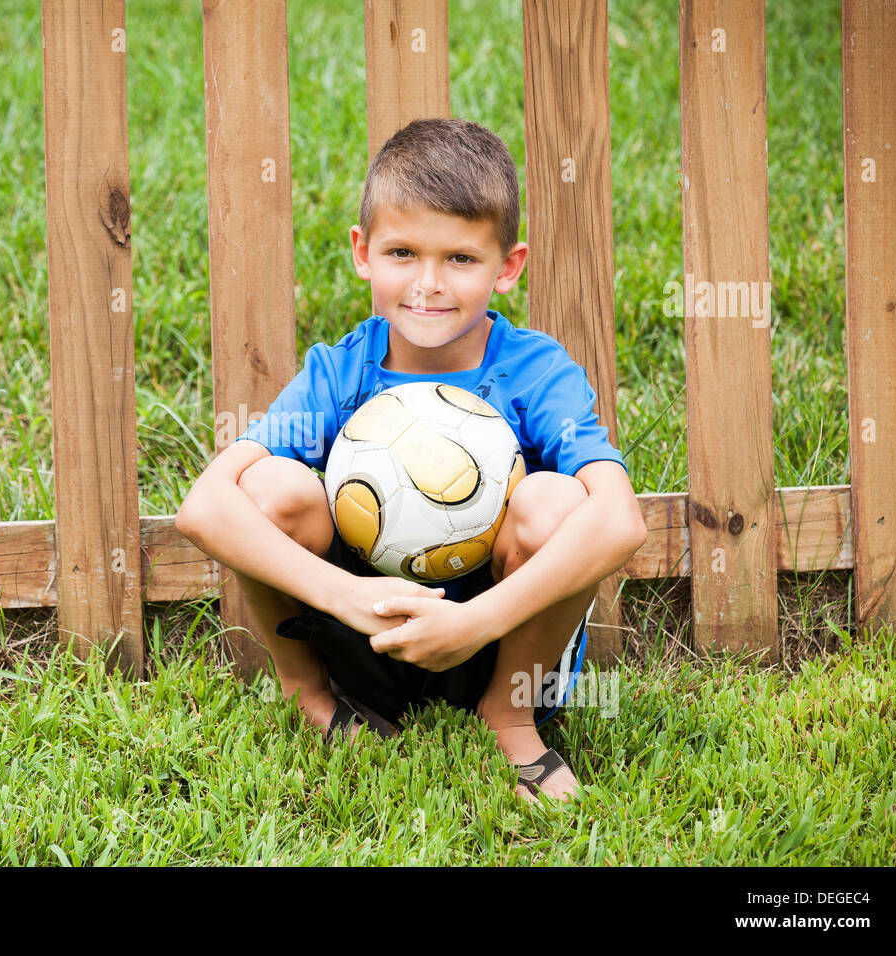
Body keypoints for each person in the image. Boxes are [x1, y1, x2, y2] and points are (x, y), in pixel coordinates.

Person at [175, 117, 646, 804]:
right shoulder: (342, 371)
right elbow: (205, 506)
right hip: (364, 639)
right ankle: (310, 697)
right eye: (402, 253)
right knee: (272, 488)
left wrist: (471, 625)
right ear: (363, 252)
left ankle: (509, 720)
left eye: (460, 259)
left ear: (507, 267)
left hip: (494, 641)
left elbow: (620, 521)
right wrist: (351, 598)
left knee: (558, 503)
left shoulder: (534, 371)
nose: (428, 283)